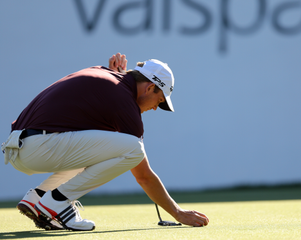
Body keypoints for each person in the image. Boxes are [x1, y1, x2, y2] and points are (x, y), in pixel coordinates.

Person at [1, 53, 209, 231]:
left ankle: (38, 198)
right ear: (149, 88)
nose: (155, 108)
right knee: (134, 150)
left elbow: (98, 133)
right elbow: (143, 175)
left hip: (19, 146)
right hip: (39, 146)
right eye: (159, 101)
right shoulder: (123, 101)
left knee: (103, 150)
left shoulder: (106, 77)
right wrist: (178, 212)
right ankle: (57, 201)